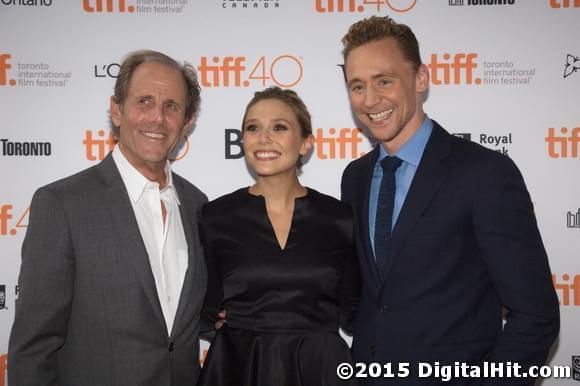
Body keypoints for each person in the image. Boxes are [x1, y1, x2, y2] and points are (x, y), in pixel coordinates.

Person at [340, 16, 559, 385]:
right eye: (357, 85)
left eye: (385, 81)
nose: (370, 99)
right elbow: (370, 295)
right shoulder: (356, 177)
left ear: (420, 79)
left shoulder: (484, 173)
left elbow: (536, 315)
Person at [8, 50, 208, 386]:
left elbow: (187, 318)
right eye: (144, 101)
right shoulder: (62, 204)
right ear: (117, 110)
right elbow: (33, 346)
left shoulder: (197, 204)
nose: (157, 118)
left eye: (171, 106)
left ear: (186, 122)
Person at [198, 86, 360, 386]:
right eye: (253, 128)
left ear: (305, 143)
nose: (264, 138)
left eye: (280, 127)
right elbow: (203, 308)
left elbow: (354, 311)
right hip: (240, 367)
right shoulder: (215, 217)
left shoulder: (341, 219)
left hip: (320, 368)